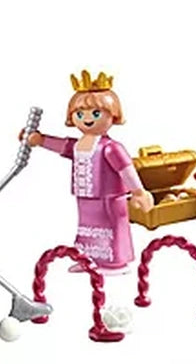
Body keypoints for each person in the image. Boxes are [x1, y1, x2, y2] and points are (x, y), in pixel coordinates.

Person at [27, 70, 153, 273]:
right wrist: (41, 140)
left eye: (96, 114)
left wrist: (138, 192)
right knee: (87, 228)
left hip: (108, 198)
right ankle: (88, 258)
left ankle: (114, 262)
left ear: (113, 115)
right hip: (85, 196)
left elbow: (126, 170)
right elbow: (62, 146)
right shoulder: (78, 145)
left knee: (111, 227)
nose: (87, 119)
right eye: (80, 114)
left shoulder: (111, 148)